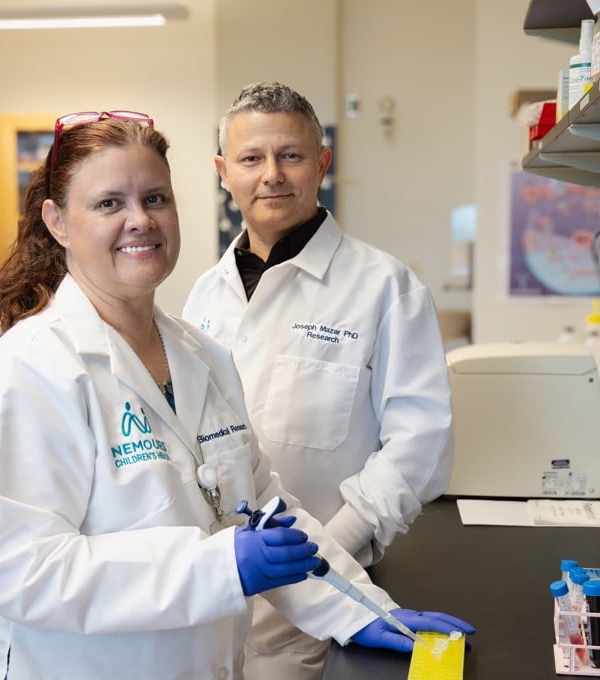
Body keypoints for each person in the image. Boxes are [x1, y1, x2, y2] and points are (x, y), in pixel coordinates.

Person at [0, 111, 473, 678]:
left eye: (155, 199)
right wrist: (221, 567)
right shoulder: (25, 373)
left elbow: (265, 510)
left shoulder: (204, 357)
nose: (140, 220)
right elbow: (20, 570)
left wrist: (359, 609)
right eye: (109, 203)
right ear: (58, 222)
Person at [183, 82, 455, 678]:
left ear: (322, 164)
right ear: (223, 173)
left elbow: (420, 446)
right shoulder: (204, 295)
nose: (272, 175)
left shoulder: (385, 287)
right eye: (251, 158)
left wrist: (324, 551)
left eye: (291, 155)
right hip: (216, 588)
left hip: (330, 588)